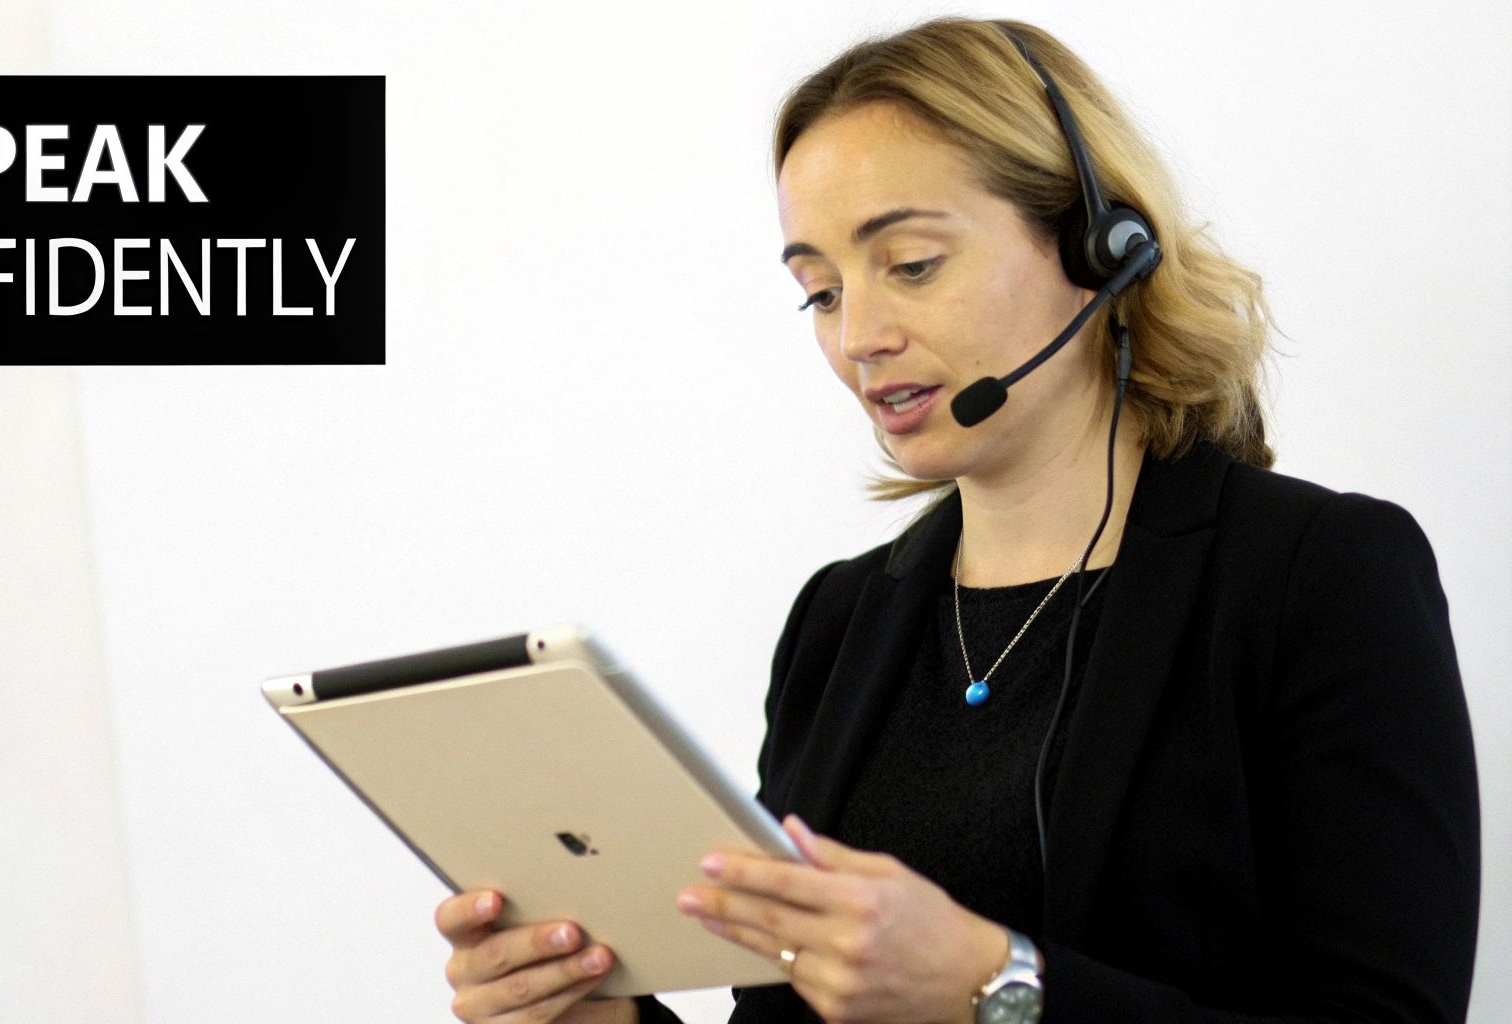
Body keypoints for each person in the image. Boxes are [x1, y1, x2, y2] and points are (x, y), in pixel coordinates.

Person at [434, 16, 1480, 1024]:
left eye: (912, 264)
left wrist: (1000, 989)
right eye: (819, 292)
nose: (859, 336)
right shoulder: (838, 622)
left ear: (1094, 244)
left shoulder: (1318, 574)